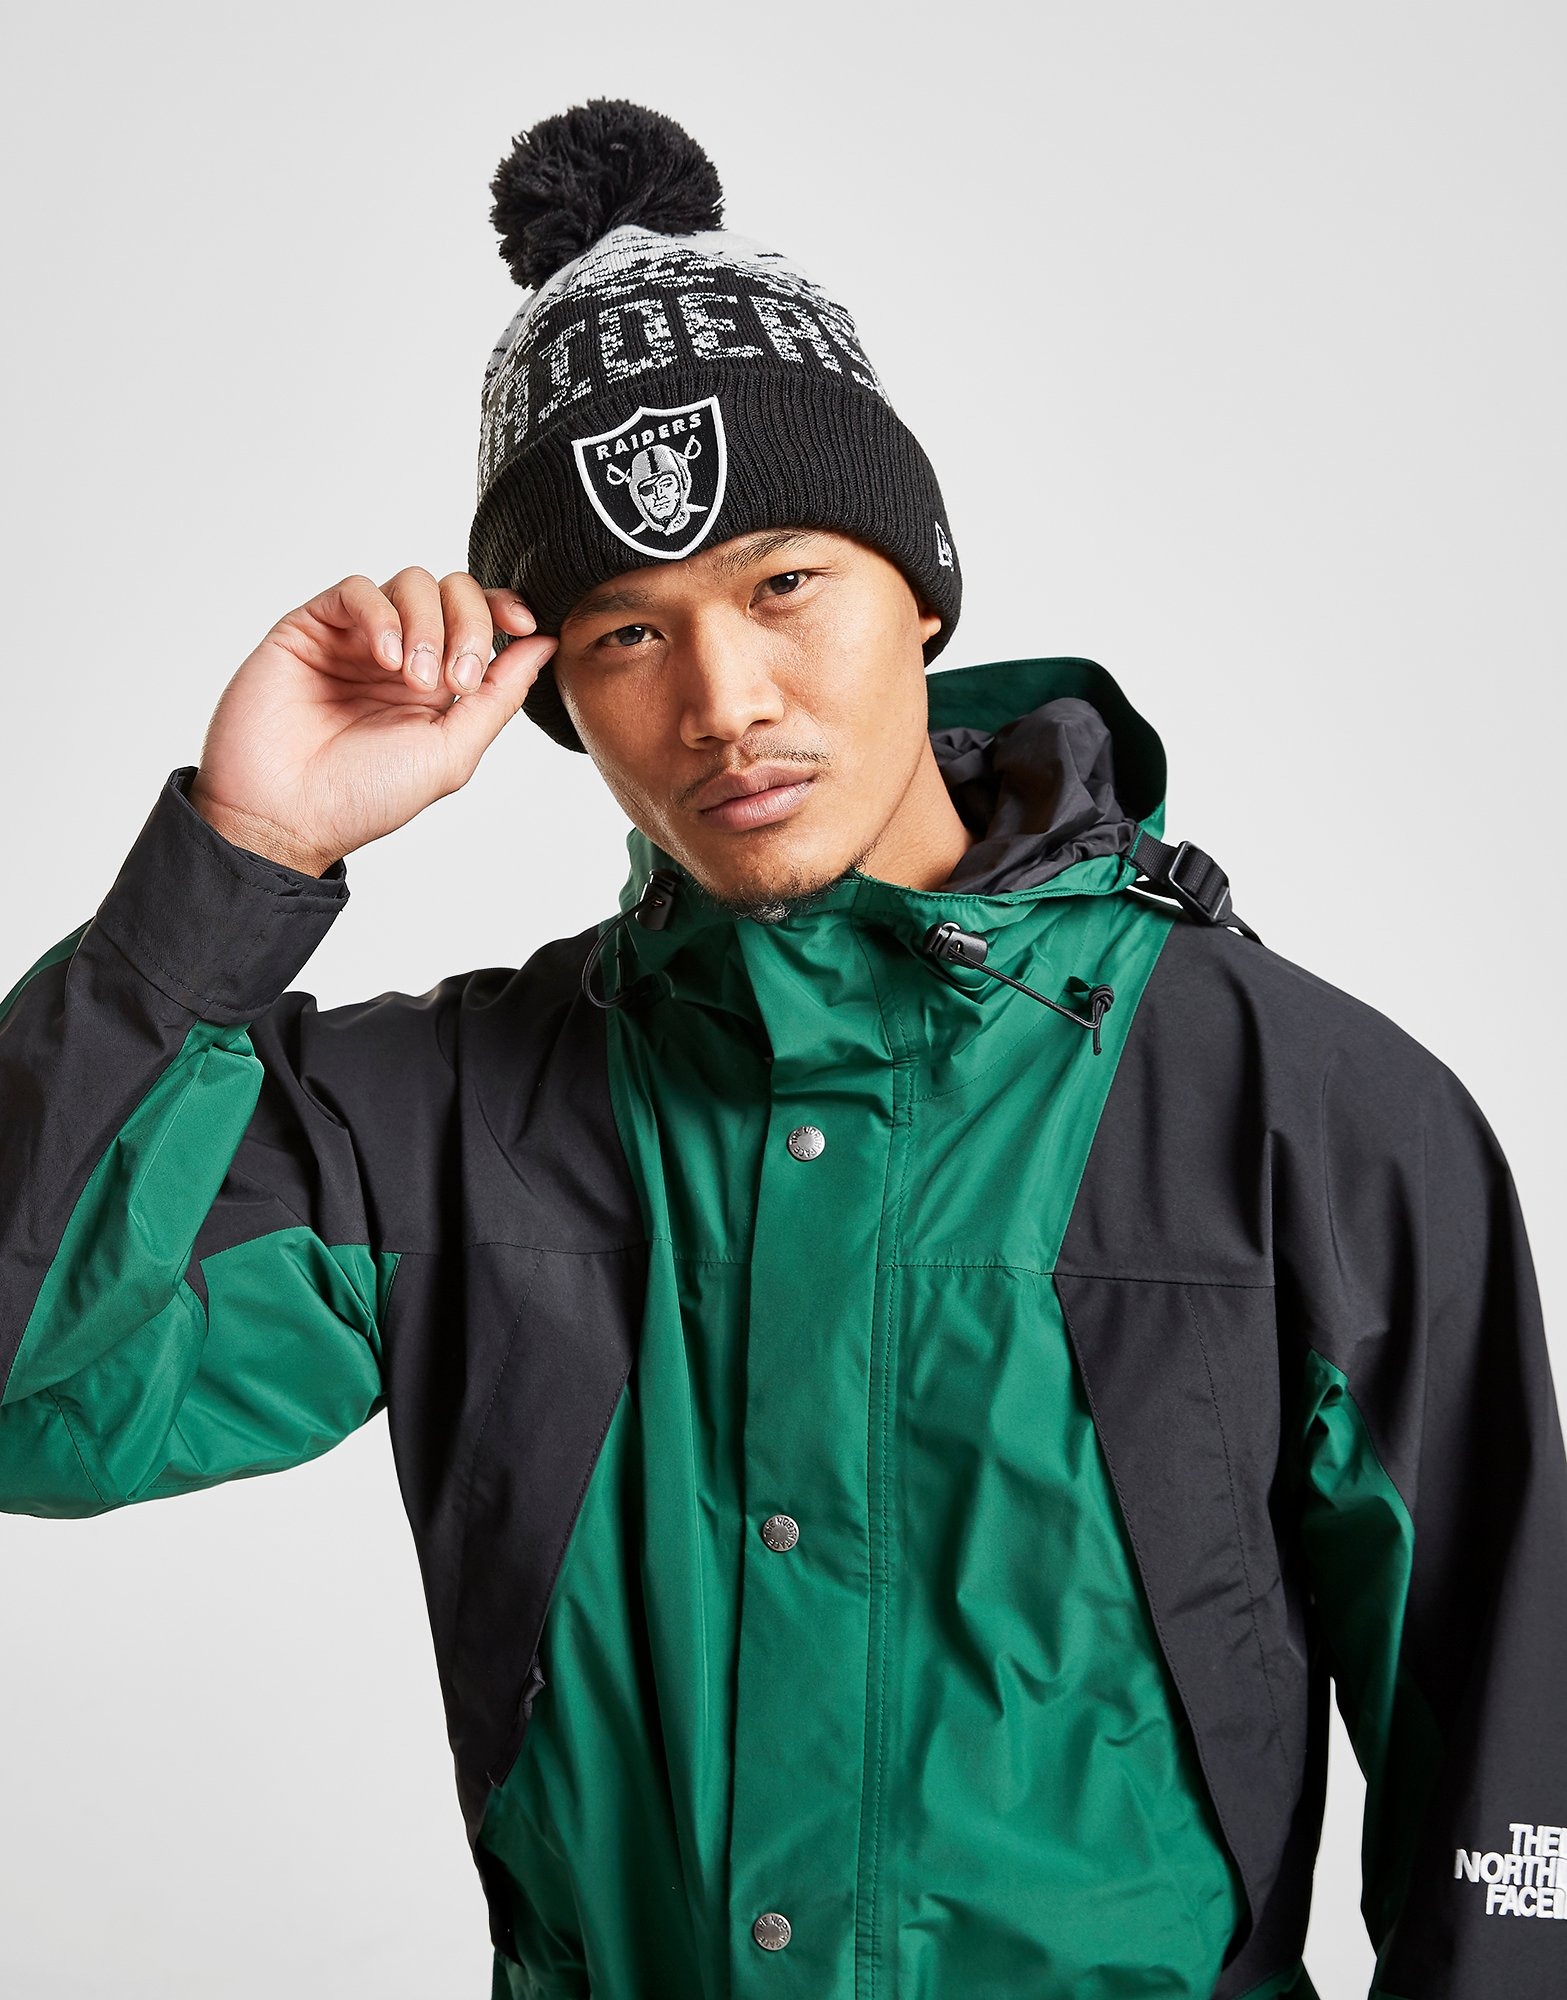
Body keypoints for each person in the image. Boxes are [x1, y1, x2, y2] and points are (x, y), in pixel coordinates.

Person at [1, 95, 1562, 2000]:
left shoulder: (1297, 1114)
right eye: (626, 635)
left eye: (783, 583)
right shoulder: (444, 1125)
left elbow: (1514, 1811)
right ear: (552, 694)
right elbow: (28, 1392)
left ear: (922, 589)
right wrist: (244, 853)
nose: (724, 701)